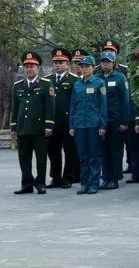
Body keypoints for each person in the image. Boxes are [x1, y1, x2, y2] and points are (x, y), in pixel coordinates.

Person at [11, 51, 56, 195]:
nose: (29, 69)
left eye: (32, 66)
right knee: (24, 158)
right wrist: (13, 127)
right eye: (27, 66)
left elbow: (50, 107)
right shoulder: (17, 86)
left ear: (38, 68)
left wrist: (49, 125)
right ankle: (27, 184)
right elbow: (15, 107)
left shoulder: (46, 84)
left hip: (39, 129)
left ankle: (40, 183)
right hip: (23, 128)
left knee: (41, 158)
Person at [69, 55, 107, 195]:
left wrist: (103, 126)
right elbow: (73, 106)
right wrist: (72, 125)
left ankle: (94, 183)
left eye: (87, 66)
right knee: (83, 156)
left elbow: (103, 106)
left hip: (94, 124)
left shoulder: (99, 83)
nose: (84, 69)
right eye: (82, 66)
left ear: (93, 68)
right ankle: (84, 183)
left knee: (94, 156)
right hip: (79, 125)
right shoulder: (77, 85)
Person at [98, 51, 132, 190]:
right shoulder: (97, 78)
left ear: (113, 64)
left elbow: (126, 101)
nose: (105, 64)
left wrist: (125, 121)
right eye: (103, 62)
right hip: (102, 120)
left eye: (108, 62)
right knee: (103, 150)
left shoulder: (120, 78)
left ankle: (115, 178)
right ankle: (106, 177)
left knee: (115, 150)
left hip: (116, 120)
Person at [47, 48, 79, 189]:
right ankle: (56, 178)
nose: (57, 65)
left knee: (70, 151)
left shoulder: (74, 80)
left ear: (68, 63)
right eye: (55, 62)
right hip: (52, 122)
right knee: (53, 151)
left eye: (61, 62)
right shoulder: (47, 80)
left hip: (68, 122)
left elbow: (77, 103)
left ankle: (68, 177)